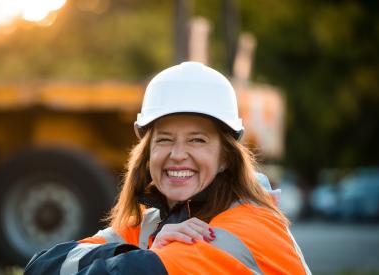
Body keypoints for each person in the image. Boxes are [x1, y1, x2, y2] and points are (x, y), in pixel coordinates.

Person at [24, 62, 311, 274]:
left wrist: (144, 256)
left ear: (225, 158)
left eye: (197, 140)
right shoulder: (151, 224)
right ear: (148, 153)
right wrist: (139, 250)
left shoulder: (244, 228)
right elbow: (40, 266)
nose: (177, 154)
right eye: (165, 140)